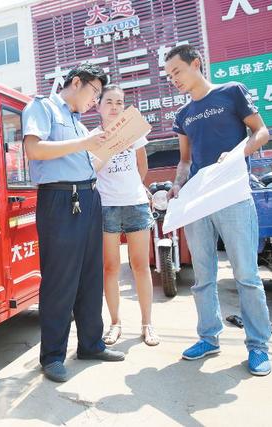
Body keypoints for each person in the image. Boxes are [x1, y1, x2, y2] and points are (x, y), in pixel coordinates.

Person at [164, 44, 272, 376]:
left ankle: (258, 346)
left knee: (246, 276)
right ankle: (208, 337)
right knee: (202, 277)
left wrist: (239, 153)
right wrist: (178, 184)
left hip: (234, 195)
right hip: (198, 200)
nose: (174, 80)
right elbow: (185, 160)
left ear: (196, 64)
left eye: (177, 72)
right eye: (169, 76)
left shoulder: (231, 92)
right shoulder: (183, 115)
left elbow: (262, 132)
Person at [22, 63, 125, 383]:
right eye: (94, 92)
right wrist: (85, 143)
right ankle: (52, 355)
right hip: (60, 200)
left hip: (89, 197)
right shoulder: (43, 107)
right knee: (60, 279)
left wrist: (110, 145)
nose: (96, 100)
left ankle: (91, 344)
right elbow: (34, 149)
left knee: (90, 277)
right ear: (76, 82)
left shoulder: (79, 124)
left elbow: (87, 163)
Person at [91, 84, 158, 347]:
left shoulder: (134, 132)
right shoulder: (93, 136)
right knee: (110, 268)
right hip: (106, 206)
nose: (115, 107)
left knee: (140, 265)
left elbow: (142, 165)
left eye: (119, 103)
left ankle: (147, 324)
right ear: (98, 106)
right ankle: (115, 323)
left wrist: (133, 188)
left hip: (135, 204)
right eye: (109, 102)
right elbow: (93, 170)